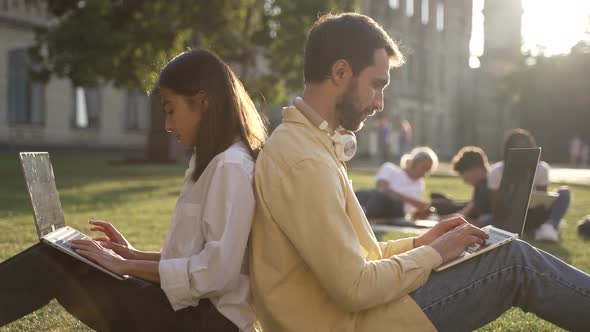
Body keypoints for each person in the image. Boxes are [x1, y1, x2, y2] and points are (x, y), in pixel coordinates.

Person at [249, 12, 590, 332]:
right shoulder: (304, 160)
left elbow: (363, 257)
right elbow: (355, 288)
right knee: (514, 263)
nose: (380, 103)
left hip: (360, 314)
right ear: (340, 73)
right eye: (377, 84)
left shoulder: (311, 144)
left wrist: (422, 242)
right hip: (355, 323)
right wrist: (436, 254)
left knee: (510, 256)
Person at [0, 50, 267, 331]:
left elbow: (216, 273)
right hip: (186, 312)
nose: (167, 125)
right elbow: (195, 260)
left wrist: (125, 267)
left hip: (202, 322)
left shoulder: (231, 166)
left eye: (170, 110)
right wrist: (131, 255)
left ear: (202, 102)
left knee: (53, 262)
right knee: (61, 257)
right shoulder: (213, 162)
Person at [488, 128, 571, 242]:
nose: (522, 151)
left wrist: (539, 206)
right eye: (517, 147)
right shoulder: (497, 171)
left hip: (536, 213)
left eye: (525, 147)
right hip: (511, 215)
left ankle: (548, 226)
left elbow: (543, 197)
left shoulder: (541, 168)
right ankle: (533, 230)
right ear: (509, 149)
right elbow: (495, 207)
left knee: (564, 192)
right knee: (488, 220)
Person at [355, 146, 438, 220]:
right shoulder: (389, 168)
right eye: (423, 167)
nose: (425, 173)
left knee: (382, 197)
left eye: (428, 170)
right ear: (414, 163)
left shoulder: (419, 185)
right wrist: (415, 202)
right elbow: (381, 188)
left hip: (397, 210)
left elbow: (409, 210)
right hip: (377, 200)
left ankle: (361, 216)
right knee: (363, 193)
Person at [434, 146, 493, 227]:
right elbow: (467, 211)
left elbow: (467, 215)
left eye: (463, 174)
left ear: (474, 169)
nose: (464, 180)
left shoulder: (486, 185)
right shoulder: (482, 184)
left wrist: (444, 221)